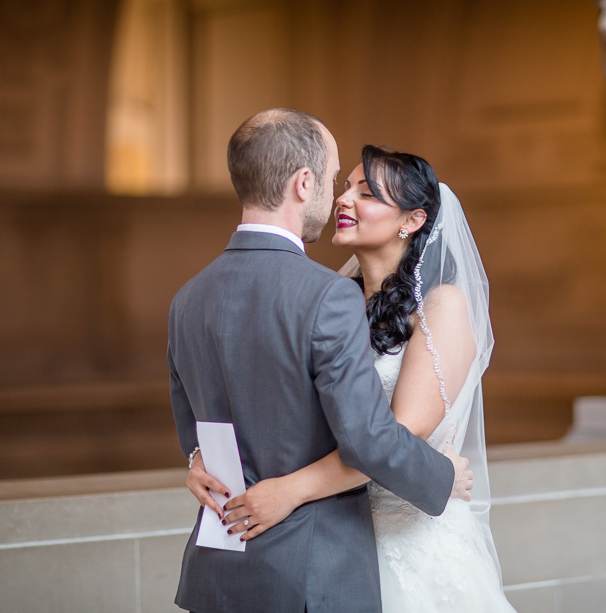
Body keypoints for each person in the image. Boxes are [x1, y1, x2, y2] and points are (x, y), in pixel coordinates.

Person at [168, 109, 472, 613]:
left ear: (413, 220)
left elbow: (194, 423)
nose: (340, 199)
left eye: (364, 191)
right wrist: (439, 475)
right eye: (336, 180)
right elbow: (370, 438)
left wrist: (197, 459)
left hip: (230, 563)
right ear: (304, 182)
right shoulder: (330, 295)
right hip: (313, 567)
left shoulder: (188, 296)